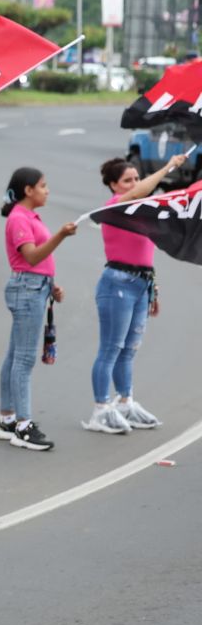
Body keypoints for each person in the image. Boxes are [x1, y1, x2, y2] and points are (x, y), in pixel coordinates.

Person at [84, 155, 186, 434]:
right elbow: (139, 192)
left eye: (137, 178)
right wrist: (168, 168)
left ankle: (125, 401)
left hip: (141, 284)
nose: (135, 184)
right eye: (127, 180)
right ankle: (100, 409)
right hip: (117, 284)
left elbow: (144, 254)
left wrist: (154, 290)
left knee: (129, 350)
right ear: (113, 186)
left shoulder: (140, 211)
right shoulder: (115, 207)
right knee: (110, 349)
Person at [0, 167, 77, 451]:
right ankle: (23, 426)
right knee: (24, 359)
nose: (47, 190)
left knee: (14, 355)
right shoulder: (19, 218)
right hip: (27, 289)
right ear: (28, 190)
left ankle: (7, 418)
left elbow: (37, 263)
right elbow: (30, 257)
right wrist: (61, 235)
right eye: (43, 185)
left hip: (35, 287)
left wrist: (50, 284)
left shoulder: (27, 216)